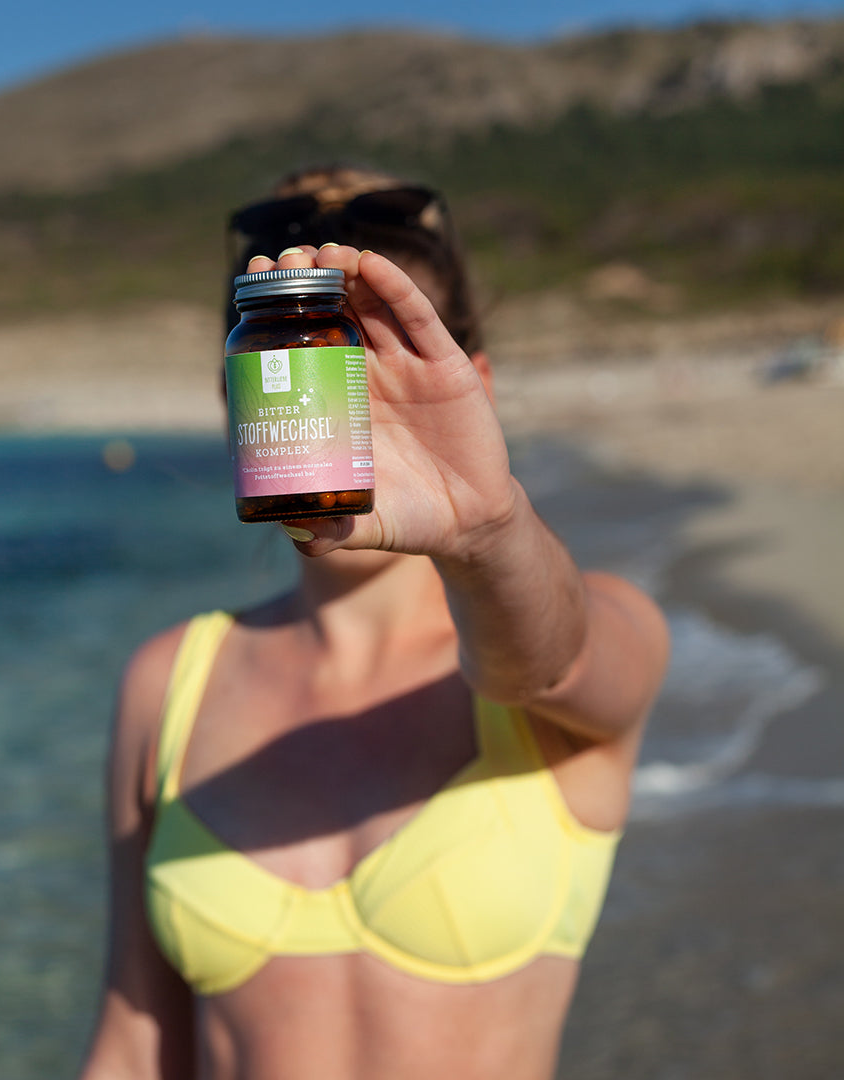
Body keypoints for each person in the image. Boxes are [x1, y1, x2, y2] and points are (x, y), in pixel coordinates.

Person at [79, 165, 670, 1080]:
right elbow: (133, 1047)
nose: (343, 404)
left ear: (473, 386)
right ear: (242, 396)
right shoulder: (169, 683)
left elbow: (548, 659)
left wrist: (487, 528)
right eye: (315, 365)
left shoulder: (589, 628)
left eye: (369, 361)